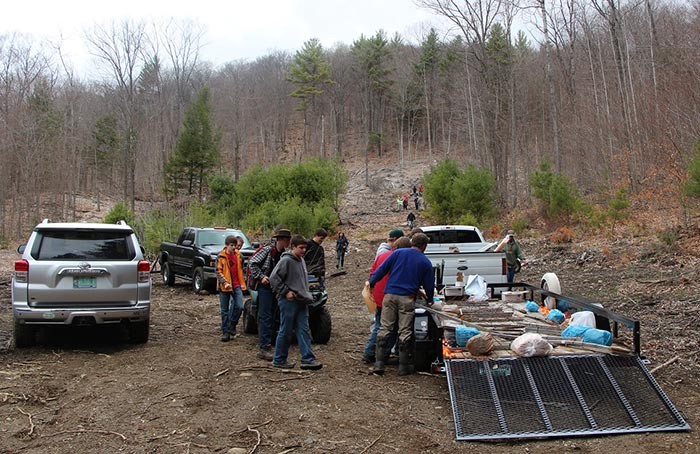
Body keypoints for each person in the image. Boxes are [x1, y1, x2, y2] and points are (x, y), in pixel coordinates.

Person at [369, 233, 435, 376]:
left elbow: (381, 269)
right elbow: (429, 285)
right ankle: (403, 367)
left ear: (412, 242)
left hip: (389, 295)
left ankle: (379, 363)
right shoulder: (425, 261)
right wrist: (430, 300)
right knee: (404, 331)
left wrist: (372, 283)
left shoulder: (398, 253)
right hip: (407, 298)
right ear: (424, 246)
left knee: (385, 327)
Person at [269, 235, 323, 370]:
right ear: (293, 247)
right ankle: (279, 359)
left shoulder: (301, 260)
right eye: (301, 248)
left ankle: (308, 359)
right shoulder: (286, 261)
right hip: (289, 301)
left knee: (304, 330)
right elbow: (273, 278)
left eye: (305, 247)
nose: (303, 250)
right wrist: (285, 291)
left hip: (302, 301)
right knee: (285, 330)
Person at [362, 236, 411, 364]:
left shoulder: (382, 256)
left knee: (379, 324)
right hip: (390, 294)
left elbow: (373, 273)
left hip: (379, 295)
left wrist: (371, 287)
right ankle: (378, 355)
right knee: (390, 328)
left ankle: (371, 353)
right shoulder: (400, 259)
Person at [248, 227, 292, 360]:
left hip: (275, 289)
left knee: (273, 315)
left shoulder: (284, 254)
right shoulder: (268, 250)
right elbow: (252, 263)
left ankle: (270, 342)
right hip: (265, 288)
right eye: (287, 240)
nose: (288, 242)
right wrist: (261, 277)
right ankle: (264, 347)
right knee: (265, 316)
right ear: (281, 240)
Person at [216, 235, 247, 342]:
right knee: (224, 310)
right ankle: (226, 332)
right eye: (232, 245)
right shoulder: (221, 256)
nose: (234, 247)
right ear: (227, 245)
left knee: (239, 306)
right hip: (225, 287)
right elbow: (218, 272)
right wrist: (225, 282)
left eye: (235, 245)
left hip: (237, 284)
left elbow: (241, 268)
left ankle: (232, 324)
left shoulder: (239, 256)